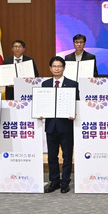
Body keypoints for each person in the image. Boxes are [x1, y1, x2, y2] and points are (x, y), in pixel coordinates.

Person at [39, 56, 79, 194]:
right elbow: (42, 103)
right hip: (51, 126)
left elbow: (77, 103)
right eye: (54, 66)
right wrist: (40, 112)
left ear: (64, 68)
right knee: (52, 156)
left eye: (59, 66)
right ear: (50, 68)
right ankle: (54, 181)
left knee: (67, 156)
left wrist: (74, 112)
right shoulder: (45, 84)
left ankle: (65, 182)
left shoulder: (72, 84)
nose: (57, 69)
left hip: (66, 125)